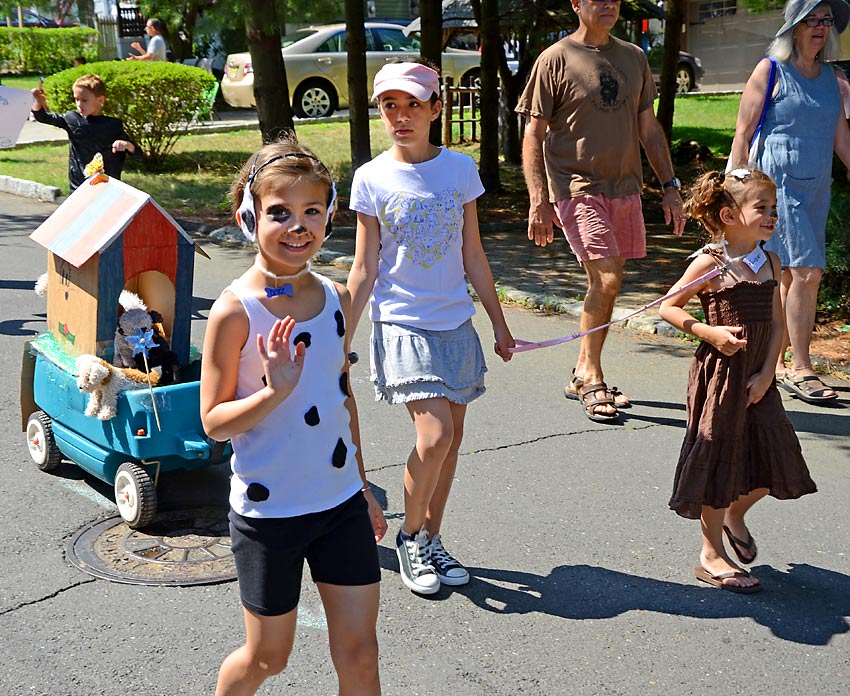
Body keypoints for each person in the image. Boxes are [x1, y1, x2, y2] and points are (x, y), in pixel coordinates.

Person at [200, 138, 387, 695]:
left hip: (340, 505)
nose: (297, 226)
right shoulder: (235, 310)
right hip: (269, 514)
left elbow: (341, 397)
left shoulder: (333, 296)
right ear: (248, 217)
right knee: (267, 659)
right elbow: (213, 422)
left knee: (361, 655)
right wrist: (273, 392)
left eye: (312, 211)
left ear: (329, 216)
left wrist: (362, 486)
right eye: (279, 212)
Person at [347, 60, 515, 596]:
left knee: (453, 440)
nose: (400, 116)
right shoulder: (371, 178)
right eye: (389, 106)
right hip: (402, 323)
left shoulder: (460, 170)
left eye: (413, 104)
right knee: (435, 434)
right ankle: (410, 535)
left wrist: (500, 323)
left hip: (454, 323)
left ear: (436, 109)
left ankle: (433, 536)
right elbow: (364, 267)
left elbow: (473, 253)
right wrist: (340, 339)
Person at [516, 0, 686, 424]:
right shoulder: (554, 59)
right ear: (576, 4)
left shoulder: (633, 56)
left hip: (624, 187)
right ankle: (590, 374)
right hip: (577, 186)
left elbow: (648, 126)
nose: (609, 4)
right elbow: (533, 132)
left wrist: (669, 186)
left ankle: (581, 370)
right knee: (607, 275)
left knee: (607, 282)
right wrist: (538, 198)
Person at [659, 168, 817, 593]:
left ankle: (733, 515)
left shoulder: (771, 261)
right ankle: (710, 554)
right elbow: (668, 307)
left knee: (776, 457)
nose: (771, 215)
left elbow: (778, 324)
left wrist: (769, 372)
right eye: (761, 208)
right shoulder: (711, 262)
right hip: (721, 376)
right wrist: (706, 331)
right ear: (729, 215)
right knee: (718, 458)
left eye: (773, 208)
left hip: (758, 375)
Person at [728, 0, 850, 404]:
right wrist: (735, 186)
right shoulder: (771, 70)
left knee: (785, 274)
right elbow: (743, 133)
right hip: (777, 188)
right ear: (794, 28)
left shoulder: (834, 79)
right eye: (810, 20)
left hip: (815, 189)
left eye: (825, 21)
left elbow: (841, 138)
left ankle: (774, 363)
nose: (819, 27)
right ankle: (802, 366)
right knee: (808, 272)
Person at [31, 73, 140, 191]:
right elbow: (43, 117)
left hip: (106, 187)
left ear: (100, 100)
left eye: (84, 100)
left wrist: (126, 145)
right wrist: (37, 100)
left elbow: (138, 154)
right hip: (78, 187)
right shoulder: (71, 119)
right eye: (76, 99)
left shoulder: (113, 125)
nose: (79, 104)